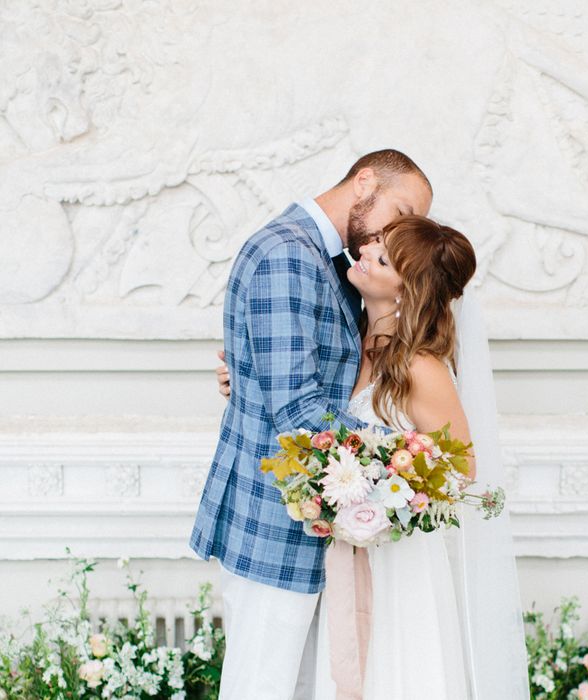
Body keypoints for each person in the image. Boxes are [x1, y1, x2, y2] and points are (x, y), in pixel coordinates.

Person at [214, 216, 531, 698]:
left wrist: (381, 491)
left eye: (381, 257)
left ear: (407, 292)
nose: (363, 251)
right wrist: (247, 383)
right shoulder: (349, 339)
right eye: (376, 243)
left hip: (396, 561)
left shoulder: (420, 367)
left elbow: (461, 468)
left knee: (394, 673)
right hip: (338, 551)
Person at [190, 149, 433, 700]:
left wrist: (246, 376)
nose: (397, 232)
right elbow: (297, 412)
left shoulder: (334, 260)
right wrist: (402, 465)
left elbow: (308, 373)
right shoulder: (288, 256)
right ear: (365, 180)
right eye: (400, 210)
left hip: (317, 526)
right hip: (273, 526)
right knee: (262, 687)